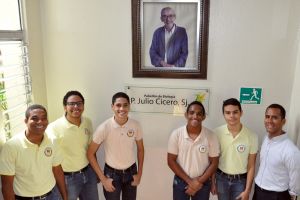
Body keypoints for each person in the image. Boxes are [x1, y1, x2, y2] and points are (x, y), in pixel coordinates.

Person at [0, 104, 67, 200]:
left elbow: (57, 170)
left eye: (44, 118)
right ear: (26, 121)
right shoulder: (11, 147)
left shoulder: (53, 141)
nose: (40, 122)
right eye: (34, 119)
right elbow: (7, 186)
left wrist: (65, 196)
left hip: (52, 195)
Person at [87, 92, 144, 200]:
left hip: (131, 173)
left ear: (129, 106)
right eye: (118, 105)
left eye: (125, 105)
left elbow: (141, 150)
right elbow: (90, 153)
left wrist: (139, 174)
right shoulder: (104, 127)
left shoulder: (135, 125)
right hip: (111, 174)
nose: (122, 108)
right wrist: (103, 179)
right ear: (112, 107)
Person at [46, 91, 99, 200]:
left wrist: (96, 172)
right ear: (65, 107)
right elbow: (51, 160)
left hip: (89, 173)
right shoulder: (53, 128)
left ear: (83, 106)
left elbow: (91, 150)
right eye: (71, 104)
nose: (76, 106)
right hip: (68, 179)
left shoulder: (87, 122)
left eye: (79, 103)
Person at [167, 101, 219, 200]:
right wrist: (191, 182)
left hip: (203, 183)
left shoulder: (211, 136)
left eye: (199, 114)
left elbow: (214, 162)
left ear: (204, 117)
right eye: (191, 113)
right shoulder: (176, 134)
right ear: (186, 115)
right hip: (181, 181)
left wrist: (198, 182)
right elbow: (171, 161)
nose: (195, 116)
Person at [212, 98, 258, 200]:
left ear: (241, 113)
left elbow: (251, 165)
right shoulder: (216, 133)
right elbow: (213, 161)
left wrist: (248, 190)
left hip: (240, 182)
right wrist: (212, 182)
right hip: (221, 179)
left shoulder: (252, 136)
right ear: (224, 115)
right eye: (228, 113)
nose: (232, 116)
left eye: (235, 112)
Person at [253, 104, 300, 200]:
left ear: (283, 121)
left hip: (276, 195)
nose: (269, 121)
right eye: (267, 117)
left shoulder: (291, 150)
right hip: (258, 191)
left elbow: (296, 178)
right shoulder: (266, 138)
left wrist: (291, 195)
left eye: (275, 117)